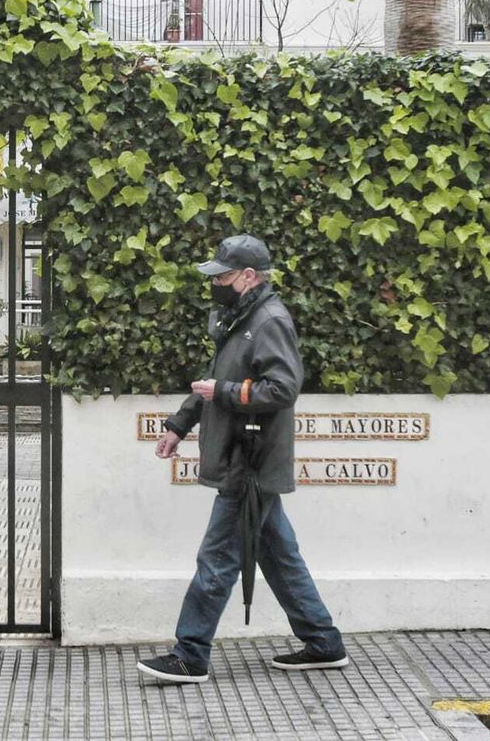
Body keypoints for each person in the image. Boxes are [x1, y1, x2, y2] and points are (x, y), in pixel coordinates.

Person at [137, 233, 349, 684]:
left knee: (216, 559)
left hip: (249, 461)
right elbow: (214, 381)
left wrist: (228, 393)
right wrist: (179, 424)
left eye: (224, 275)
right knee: (278, 553)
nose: (216, 283)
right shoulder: (238, 318)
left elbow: (283, 387)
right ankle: (324, 643)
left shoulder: (268, 320)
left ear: (249, 276)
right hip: (247, 456)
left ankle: (189, 655)